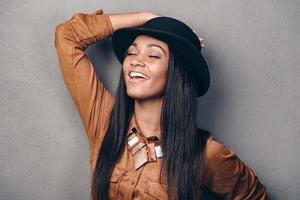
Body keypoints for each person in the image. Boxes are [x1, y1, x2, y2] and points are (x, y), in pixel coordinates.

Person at [54, 8, 269, 200]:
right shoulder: (104, 121)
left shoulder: (206, 155)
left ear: (177, 74)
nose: (136, 60)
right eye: (131, 52)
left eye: (153, 55)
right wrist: (146, 17)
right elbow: (68, 36)